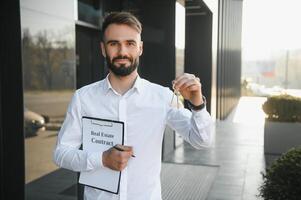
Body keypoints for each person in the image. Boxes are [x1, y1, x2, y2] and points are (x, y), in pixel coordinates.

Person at [53, 11, 212, 200]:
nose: (122, 52)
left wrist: (197, 104)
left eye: (130, 43)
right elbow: (61, 154)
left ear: (140, 48)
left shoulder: (162, 97)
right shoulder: (83, 98)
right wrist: (101, 159)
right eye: (114, 44)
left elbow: (202, 140)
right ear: (103, 49)